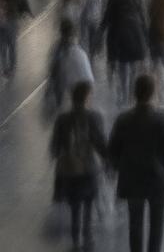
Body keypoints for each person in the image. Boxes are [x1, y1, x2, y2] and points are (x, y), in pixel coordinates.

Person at [108, 73, 164, 252]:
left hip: (131, 179)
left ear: (134, 93)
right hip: (158, 180)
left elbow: (112, 151)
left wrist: (117, 168)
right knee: (156, 226)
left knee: (135, 225)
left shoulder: (123, 120)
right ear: (153, 92)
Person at [50, 80, 107, 252]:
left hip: (69, 169)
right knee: (89, 203)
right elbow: (100, 142)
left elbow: (55, 147)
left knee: (75, 205)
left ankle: (75, 240)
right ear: (87, 97)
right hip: (89, 167)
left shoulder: (62, 118)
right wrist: (109, 159)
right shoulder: (94, 116)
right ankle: (87, 237)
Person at [99, 0, 148, 104]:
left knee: (122, 67)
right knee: (133, 68)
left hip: (118, 36)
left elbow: (107, 16)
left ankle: (123, 93)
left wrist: (100, 32)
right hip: (135, 35)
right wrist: (147, 37)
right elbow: (143, 19)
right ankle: (131, 95)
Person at [48, 19, 95, 110]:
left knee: (75, 102)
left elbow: (55, 68)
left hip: (73, 81)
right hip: (87, 78)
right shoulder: (79, 44)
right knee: (83, 104)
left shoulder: (59, 47)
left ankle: (66, 107)